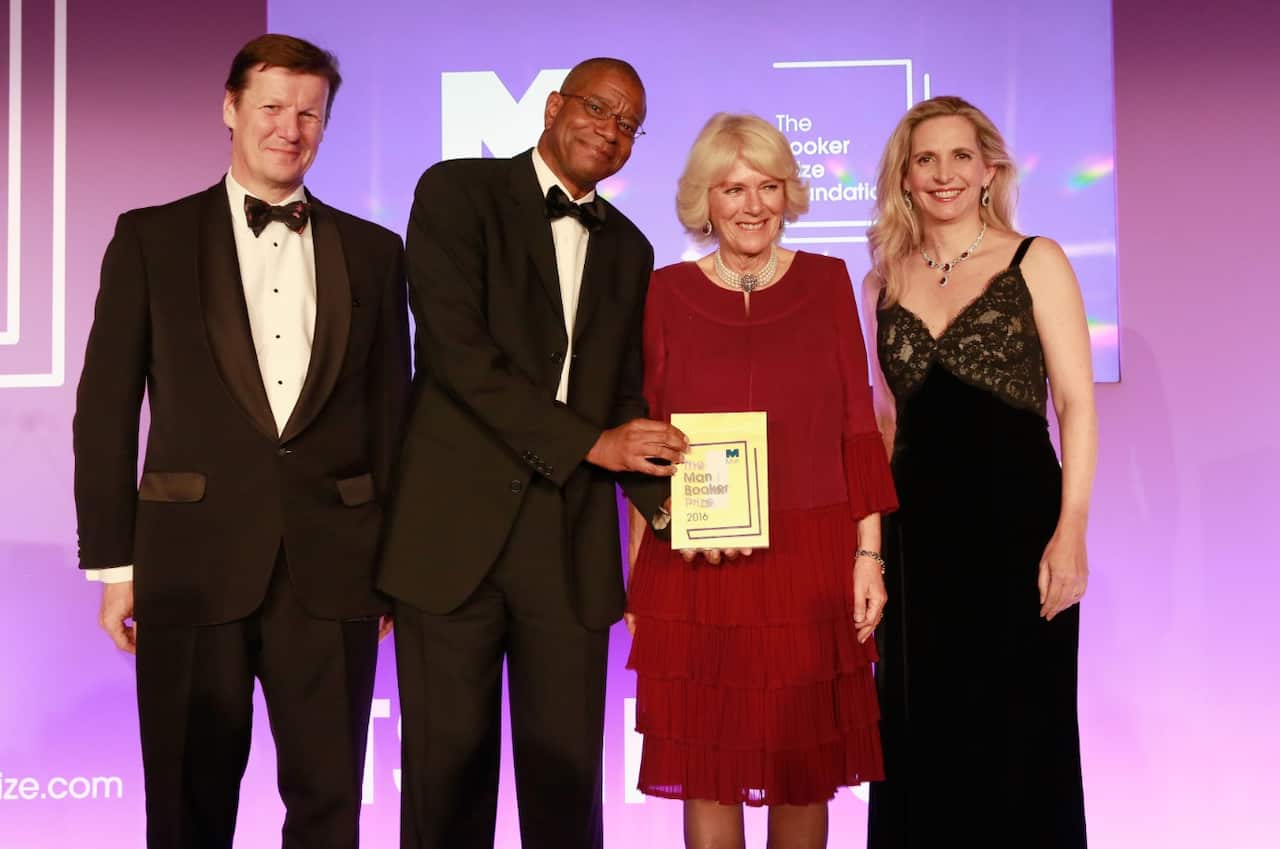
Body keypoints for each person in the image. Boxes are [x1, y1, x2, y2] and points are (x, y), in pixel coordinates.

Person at [72, 34, 410, 849]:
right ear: (229, 109)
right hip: (188, 564)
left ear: (325, 125)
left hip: (335, 568)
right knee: (188, 805)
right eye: (270, 106)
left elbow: (393, 415)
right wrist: (117, 566)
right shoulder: (150, 238)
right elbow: (105, 409)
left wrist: (393, 570)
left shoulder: (375, 251)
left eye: (308, 113)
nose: (289, 127)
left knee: (331, 802)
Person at [377, 57, 685, 849]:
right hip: (451, 542)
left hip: (569, 545)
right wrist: (594, 443)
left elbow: (623, 396)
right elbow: (457, 357)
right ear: (553, 106)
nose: (609, 130)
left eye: (627, 124)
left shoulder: (633, 249)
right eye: (597, 108)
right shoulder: (456, 192)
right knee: (445, 782)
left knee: (567, 786)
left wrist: (685, 505)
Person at [624, 113, 898, 849]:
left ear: (789, 192)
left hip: (811, 557)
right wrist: (639, 571)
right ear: (703, 201)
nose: (752, 205)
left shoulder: (827, 280)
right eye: (733, 187)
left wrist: (868, 554)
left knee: (802, 767)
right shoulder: (664, 292)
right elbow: (646, 438)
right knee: (708, 764)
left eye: (768, 186)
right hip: (695, 560)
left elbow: (856, 425)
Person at [862, 96, 1097, 848]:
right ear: (903, 176)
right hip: (915, 546)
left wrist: (1071, 534)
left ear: (990, 168)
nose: (944, 174)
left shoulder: (1038, 259)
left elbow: (1077, 406)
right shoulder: (881, 281)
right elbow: (882, 426)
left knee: (1022, 735)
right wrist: (868, 550)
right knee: (917, 734)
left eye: (960, 156)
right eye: (925, 158)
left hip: (1017, 534)